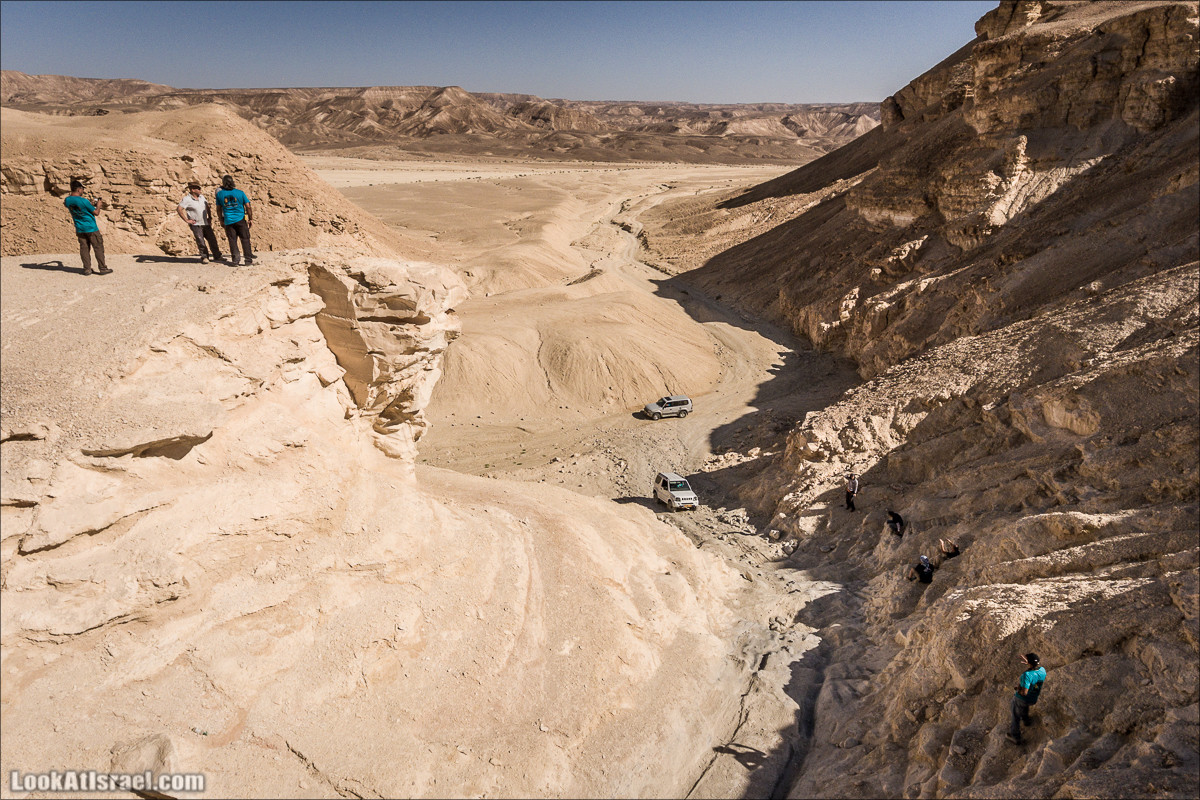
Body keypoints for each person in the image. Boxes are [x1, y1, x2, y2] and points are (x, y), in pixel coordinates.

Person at [63, 179, 110, 275]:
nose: (83, 191)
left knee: (84, 249)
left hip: (80, 229)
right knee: (98, 248)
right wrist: (98, 205)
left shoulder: (67, 200)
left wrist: (89, 205)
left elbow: (78, 207)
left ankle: (87, 269)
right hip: (91, 228)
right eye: (82, 189)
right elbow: (96, 213)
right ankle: (103, 268)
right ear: (79, 189)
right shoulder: (83, 200)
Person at [177, 182, 224, 263]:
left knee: (212, 239)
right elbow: (179, 209)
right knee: (200, 241)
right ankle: (204, 257)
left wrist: (209, 217)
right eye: (198, 188)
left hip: (205, 222)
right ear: (192, 190)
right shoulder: (187, 199)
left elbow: (207, 206)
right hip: (196, 224)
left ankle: (217, 256)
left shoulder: (202, 197)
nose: (200, 190)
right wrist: (186, 220)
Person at [1007, 652, 1046, 744]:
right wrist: (1030, 663)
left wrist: (1018, 689)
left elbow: (1024, 693)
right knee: (1024, 707)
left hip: (1022, 699)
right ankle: (1026, 721)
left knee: (1015, 715)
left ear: (1029, 662)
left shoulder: (1027, 675)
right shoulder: (1042, 670)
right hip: (1033, 698)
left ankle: (1015, 736)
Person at [214, 175, 254, 266]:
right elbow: (248, 206)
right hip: (240, 219)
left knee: (232, 241)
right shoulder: (240, 193)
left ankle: (235, 260)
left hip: (228, 221)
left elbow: (218, 209)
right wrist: (250, 218)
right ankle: (248, 260)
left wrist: (221, 220)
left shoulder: (220, 194)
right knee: (245, 239)